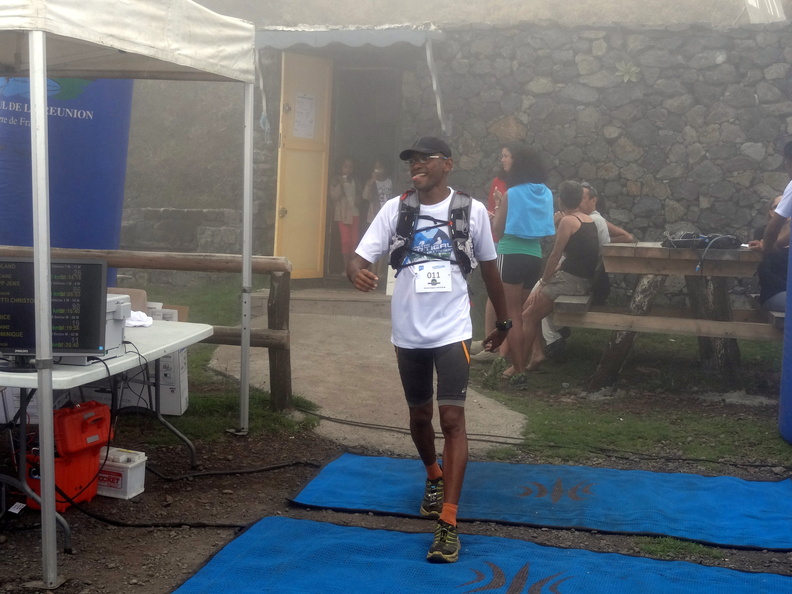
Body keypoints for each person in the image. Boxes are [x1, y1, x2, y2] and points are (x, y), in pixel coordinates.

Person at [347, 136, 510, 564]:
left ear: (447, 165)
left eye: (424, 160)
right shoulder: (396, 210)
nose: (416, 166)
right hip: (408, 334)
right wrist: (354, 272)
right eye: (412, 162)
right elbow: (359, 258)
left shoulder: (471, 210)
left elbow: (491, 270)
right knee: (420, 416)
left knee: (452, 418)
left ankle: (448, 523)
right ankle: (433, 475)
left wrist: (504, 322)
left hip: (453, 330)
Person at [542, 181, 634, 358]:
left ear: (594, 200)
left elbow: (565, 254)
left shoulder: (591, 221)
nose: (579, 201)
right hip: (584, 276)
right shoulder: (586, 220)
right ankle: (552, 333)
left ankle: (544, 341)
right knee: (535, 303)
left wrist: (561, 224)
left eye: (582, 198)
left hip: (578, 278)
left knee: (533, 301)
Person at [490, 144, 555, 384]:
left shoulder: (512, 193)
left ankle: (517, 369)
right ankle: (521, 365)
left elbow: (497, 230)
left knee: (512, 315)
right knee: (525, 314)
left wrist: (499, 207)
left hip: (510, 254)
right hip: (534, 256)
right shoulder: (546, 193)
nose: (505, 162)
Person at [521, 181, 599, 373]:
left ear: (560, 200)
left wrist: (543, 282)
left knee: (527, 315)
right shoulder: (588, 220)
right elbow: (578, 254)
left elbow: (555, 255)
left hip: (572, 282)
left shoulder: (568, 221)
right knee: (527, 311)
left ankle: (518, 366)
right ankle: (535, 353)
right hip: (580, 280)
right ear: (579, 200)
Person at [470, 144, 512, 362]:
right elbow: (491, 209)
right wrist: (493, 210)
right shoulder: (498, 181)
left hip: (509, 241)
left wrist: (500, 205)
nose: (502, 160)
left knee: (503, 294)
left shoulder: (519, 187)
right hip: (495, 239)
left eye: (506, 156)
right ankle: (489, 341)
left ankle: (496, 346)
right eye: (501, 155)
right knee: (492, 291)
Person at [750, 195, 789, 312]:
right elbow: (764, 272)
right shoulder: (762, 233)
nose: (785, 209)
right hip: (775, 292)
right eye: (778, 207)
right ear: (771, 212)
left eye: (788, 206)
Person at [329, 156, 361, 273]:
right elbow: (334, 197)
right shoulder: (336, 180)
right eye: (345, 166)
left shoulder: (355, 181)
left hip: (354, 213)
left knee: (354, 242)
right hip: (342, 214)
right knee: (345, 241)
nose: (348, 169)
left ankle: (353, 268)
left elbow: (361, 196)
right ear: (341, 167)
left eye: (350, 167)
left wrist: (358, 200)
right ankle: (346, 267)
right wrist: (341, 185)